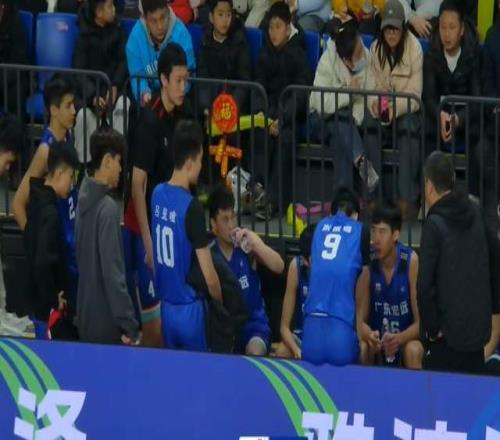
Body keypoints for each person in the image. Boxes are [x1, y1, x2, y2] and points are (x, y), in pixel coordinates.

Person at [123, 43, 191, 347]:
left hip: (169, 225)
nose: (183, 87)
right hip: (144, 229)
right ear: (163, 79)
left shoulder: (181, 116)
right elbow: (137, 185)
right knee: (153, 323)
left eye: (186, 80)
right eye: (178, 80)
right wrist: (149, 242)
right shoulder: (149, 121)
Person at [417, 151, 491, 374]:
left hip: (447, 338)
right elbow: (494, 263)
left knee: (443, 395)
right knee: (473, 395)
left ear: (429, 186)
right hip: (477, 334)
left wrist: (432, 329)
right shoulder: (476, 211)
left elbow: (424, 286)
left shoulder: (434, 225)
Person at [152, 120, 222, 351]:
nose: (201, 167)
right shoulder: (191, 207)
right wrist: (220, 303)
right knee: (198, 372)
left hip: (166, 309)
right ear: (191, 163)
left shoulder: (157, 194)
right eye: (200, 160)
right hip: (189, 311)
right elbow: (209, 277)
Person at [13, 76, 79, 314]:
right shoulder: (45, 150)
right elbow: (18, 203)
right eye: (68, 105)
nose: (74, 110)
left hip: (71, 247)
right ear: (53, 110)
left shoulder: (67, 138)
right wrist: (37, 244)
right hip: (56, 252)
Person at [76, 128, 140, 346]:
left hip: (85, 316)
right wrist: (130, 325)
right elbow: (113, 275)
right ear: (107, 160)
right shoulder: (108, 209)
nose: (121, 169)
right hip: (107, 326)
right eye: (119, 162)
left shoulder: (81, 198)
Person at [208, 185, 284, 355]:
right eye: (225, 220)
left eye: (233, 217)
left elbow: (279, 266)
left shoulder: (247, 246)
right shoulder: (210, 256)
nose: (231, 225)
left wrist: (256, 243)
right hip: (225, 330)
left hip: (254, 327)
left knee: (254, 351)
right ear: (213, 224)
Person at [254, 1, 312, 219]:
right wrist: (265, 116)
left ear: (288, 29)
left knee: (285, 139)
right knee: (258, 134)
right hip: (268, 115)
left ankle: (273, 201)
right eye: (271, 27)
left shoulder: (298, 54)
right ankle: (256, 191)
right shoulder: (264, 54)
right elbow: (258, 89)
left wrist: (281, 118)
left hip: (290, 117)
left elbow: (300, 93)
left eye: (278, 27)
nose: (273, 32)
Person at [365, 0, 423, 219]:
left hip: (405, 110)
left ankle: (408, 199)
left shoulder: (414, 49)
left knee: (408, 128)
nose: (391, 33)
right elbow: (370, 88)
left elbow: (415, 96)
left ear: (403, 28)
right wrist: (375, 105)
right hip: (381, 110)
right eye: (387, 28)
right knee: (369, 126)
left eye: (395, 28)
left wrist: (393, 109)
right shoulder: (375, 49)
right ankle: (373, 195)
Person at [302, 187, 370, 366]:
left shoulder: (319, 228)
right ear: (356, 215)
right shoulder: (360, 230)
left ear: (331, 213)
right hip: (341, 331)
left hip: (310, 331)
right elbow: (362, 288)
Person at [309, 18, 378, 193]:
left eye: (361, 48)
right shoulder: (327, 61)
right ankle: (360, 160)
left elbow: (368, 96)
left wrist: (352, 118)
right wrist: (348, 93)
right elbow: (321, 103)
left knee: (340, 134)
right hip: (320, 119)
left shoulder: (366, 57)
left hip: (346, 125)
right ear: (347, 61)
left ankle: (343, 199)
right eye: (358, 54)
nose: (363, 55)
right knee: (340, 119)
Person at [357, 202, 423, 368]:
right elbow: (358, 321)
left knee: (414, 350)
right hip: (378, 344)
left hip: (405, 340)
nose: (376, 239)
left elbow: (421, 324)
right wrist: (369, 334)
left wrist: (398, 339)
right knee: (362, 346)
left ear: (395, 235)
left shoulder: (410, 261)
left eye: (382, 232)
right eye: (373, 231)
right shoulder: (368, 264)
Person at [24, 143, 79, 340]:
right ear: (60, 173)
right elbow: (42, 262)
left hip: (36, 304)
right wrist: (54, 299)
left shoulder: (36, 200)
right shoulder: (51, 213)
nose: (72, 184)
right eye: (71, 176)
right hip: (47, 312)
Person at [72, 0, 130, 164]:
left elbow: (123, 63)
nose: (114, 9)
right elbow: (79, 73)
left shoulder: (119, 33)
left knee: (124, 105)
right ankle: (85, 168)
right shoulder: (83, 37)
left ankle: (117, 163)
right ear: (99, 13)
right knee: (83, 116)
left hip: (114, 93)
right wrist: (93, 96)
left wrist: (115, 86)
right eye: (110, 6)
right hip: (91, 99)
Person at [423, 0, 480, 150]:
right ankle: (430, 166)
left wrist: (458, 119)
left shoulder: (473, 55)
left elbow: (476, 101)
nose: (446, 34)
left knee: (477, 131)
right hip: (440, 115)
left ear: (461, 29)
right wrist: (440, 114)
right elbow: (429, 98)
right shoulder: (431, 55)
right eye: (443, 27)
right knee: (426, 129)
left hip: (464, 117)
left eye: (452, 27)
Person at [126, 0, 195, 104]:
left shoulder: (182, 34)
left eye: (163, 17)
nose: (160, 26)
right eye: (153, 21)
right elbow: (137, 78)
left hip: (178, 100)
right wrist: (145, 95)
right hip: (150, 102)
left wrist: (170, 97)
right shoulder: (134, 40)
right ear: (144, 19)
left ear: (168, 10)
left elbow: (189, 74)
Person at [197, 0, 251, 113]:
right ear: (211, 17)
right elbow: (203, 80)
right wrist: (206, 107)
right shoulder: (205, 42)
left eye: (228, 15)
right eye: (220, 14)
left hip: (235, 106)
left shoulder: (239, 41)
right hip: (212, 104)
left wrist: (231, 106)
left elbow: (244, 82)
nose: (225, 20)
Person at [275, 224, 315, 359]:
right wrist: (296, 350)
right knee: (282, 352)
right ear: (306, 260)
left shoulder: (334, 270)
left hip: (326, 339)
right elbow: (284, 327)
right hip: (301, 337)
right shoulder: (296, 266)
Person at [0, 0, 28, 115]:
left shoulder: (15, 25)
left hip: (13, 77)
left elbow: (18, 60)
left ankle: (16, 125)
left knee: (15, 91)